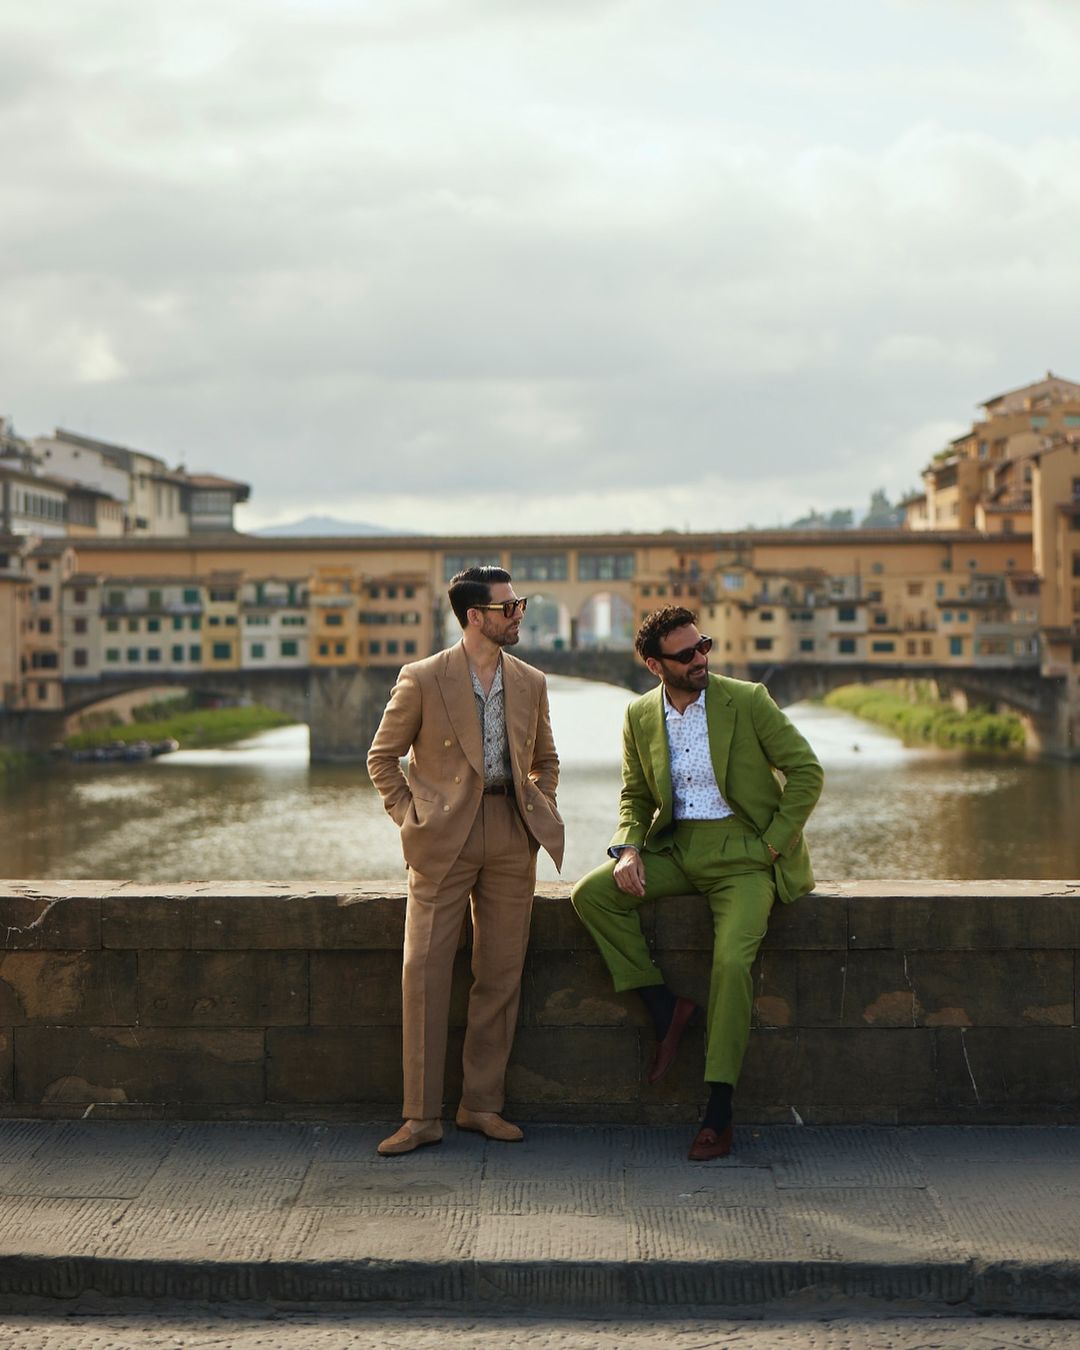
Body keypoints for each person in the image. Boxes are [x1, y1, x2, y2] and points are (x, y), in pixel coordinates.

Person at [571, 605, 822, 1161]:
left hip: (746, 855)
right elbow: (635, 796)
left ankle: (719, 1107)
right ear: (655, 665)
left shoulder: (748, 699)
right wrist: (629, 849)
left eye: (703, 645)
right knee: (591, 894)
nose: (701, 658)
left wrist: (772, 845)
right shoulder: (639, 714)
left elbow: (806, 770)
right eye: (687, 654)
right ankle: (665, 1007)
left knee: (731, 963)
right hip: (676, 848)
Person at [367, 566, 564, 1156]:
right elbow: (383, 758)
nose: (518, 614)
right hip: (442, 838)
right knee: (424, 973)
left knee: (500, 975)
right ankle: (421, 1116)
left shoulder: (531, 680)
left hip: (510, 833)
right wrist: (412, 819)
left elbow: (547, 758)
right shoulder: (423, 678)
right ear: (474, 616)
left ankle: (481, 1106)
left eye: (519, 604)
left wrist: (540, 804)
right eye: (508, 608)